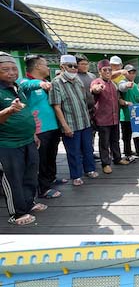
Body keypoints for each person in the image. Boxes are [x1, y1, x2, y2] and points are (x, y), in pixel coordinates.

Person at [0, 52, 45, 225]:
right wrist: (9, 110)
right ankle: (17, 213)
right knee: (13, 179)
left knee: (30, 174)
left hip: (27, 140)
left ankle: (29, 203)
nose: (11, 72)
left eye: (13, 68)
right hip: (8, 144)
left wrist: (32, 134)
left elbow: (26, 112)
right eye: (5, 69)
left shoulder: (17, 87)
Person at [18, 54, 61, 199]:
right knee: (41, 160)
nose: (48, 67)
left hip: (53, 127)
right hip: (39, 129)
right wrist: (39, 84)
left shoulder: (46, 81)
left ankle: (51, 178)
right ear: (37, 66)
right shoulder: (24, 81)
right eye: (45, 64)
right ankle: (43, 189)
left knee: (51, 155)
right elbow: (25, 85)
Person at [50, 54, 96, 187]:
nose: (74, 69)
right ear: (62, 67)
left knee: (88, 148)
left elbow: (83, 101)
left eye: (75, 66)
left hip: (85, 122)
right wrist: (65, 126)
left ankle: (90, 169)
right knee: (73, 152)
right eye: (70, 66)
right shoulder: (56, 83)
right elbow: (56, 107)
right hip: (71, 124)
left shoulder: (78, 81)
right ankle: (76, 175)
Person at [90, 59, 127, 174]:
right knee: (104, 143)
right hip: (102, 119)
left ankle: (117, 158)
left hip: (114, 118)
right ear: (99, 71)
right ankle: (105, 163)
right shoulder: (97, 81)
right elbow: (94, 89)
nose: (107, 72)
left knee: (115, 140)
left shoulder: (113, 83)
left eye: (109, 70)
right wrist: (97, 88)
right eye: (105, 70)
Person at [119, 65, 139, 158]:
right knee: (126, 137)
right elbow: (122, 87)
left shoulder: (136, 86)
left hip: (136, 115)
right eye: (129, 73)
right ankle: (127, 153)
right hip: (126, 116)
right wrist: (126, 85)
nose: (132, 75)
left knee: (138, 135)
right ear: (125, 73)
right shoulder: (122, 82)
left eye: (133, 73)